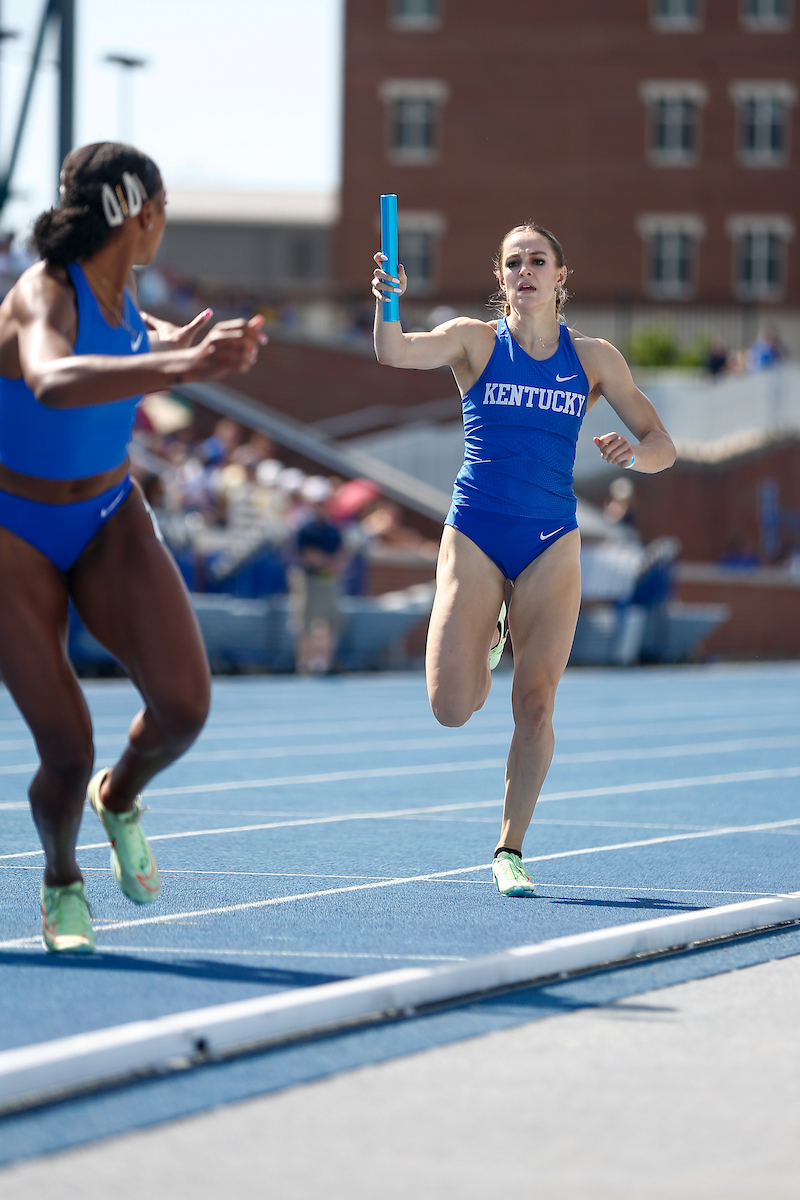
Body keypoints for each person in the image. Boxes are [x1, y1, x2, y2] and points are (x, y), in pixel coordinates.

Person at [0, 142, 265, 953]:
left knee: (184, 708)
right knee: (67, 747)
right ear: (141, 213)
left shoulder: (125, 295)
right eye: (165, 211)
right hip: (15, 531)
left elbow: (140, 337)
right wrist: (177, 366)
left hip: (109, 511)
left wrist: (188, 346)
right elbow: (48, 378)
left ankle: (122, 799)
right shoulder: (41, 293)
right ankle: (61, 877)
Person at [372, 221, 675, 896]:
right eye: (514, 262)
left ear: (561, 278)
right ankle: (489, 639)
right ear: (501, 278)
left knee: (535, 705)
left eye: (539, 260)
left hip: (549, 542)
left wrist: (638, 456)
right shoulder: (475, 341)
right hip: (477, 532)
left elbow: (662, 441)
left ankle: (509, 848)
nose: (527, 270)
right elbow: (394, 351)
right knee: (452, 707)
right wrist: (385, 299)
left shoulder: (594, 359)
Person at [290, 475, 346, 674]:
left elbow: (340, 554)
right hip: (308, 579)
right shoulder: (305, 527)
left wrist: (332, 564)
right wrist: (326, 562)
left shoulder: (332, 529)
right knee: (304, 620)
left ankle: (323, 662)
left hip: (328, 580)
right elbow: (306, 555)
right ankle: (304, 662)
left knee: (328, 621)